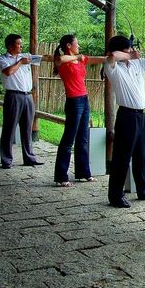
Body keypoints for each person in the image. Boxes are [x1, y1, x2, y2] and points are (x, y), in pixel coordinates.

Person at [103, 35, 145, 208]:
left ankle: (144, 188)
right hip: (126, 116)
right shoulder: (111, 66)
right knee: (122, 157)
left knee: (141, 154)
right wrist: (128, 55)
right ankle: (115, 195)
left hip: (141, 116)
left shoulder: (138, 63)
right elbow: (112, 56)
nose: (131, 51)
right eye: (127, 48)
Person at [52, 34, 106, 187]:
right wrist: (78, 56)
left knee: (82, 138)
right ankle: (61, 176)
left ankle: (83, 173)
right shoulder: (63, 61)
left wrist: (109, 57)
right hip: (73, 102)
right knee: (68, 140)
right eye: (77, 43)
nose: (79, 46)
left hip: (84, 99)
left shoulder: (80, 59)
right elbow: (59, 60)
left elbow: (98, 59)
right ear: (69, 46)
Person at [0, 34, 43, 168]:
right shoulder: (2, 59)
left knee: (27, 128)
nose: (21, 46)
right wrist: (20, 62)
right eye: (18, 44)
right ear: (10, 46)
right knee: (9, 129)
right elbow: (8, 72)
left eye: (21, 44)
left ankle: (29, 158)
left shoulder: (26, 56)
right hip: (13, 96)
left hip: (28, 96)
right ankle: (6, 160)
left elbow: (42, 59)